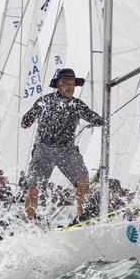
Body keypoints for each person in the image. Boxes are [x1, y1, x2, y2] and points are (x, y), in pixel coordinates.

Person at [20, 68, 104, 222]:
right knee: (33, 188)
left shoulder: (76, 104)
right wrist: (27, 120)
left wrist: (100, 120)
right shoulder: (44, 101)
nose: (70, 87)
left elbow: (91, 116)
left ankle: (82, 216)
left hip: (67, 150)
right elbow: (26, 121)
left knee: (83, 180)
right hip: (43, 150)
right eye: (66, 84)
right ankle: (29, 221)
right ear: (59, 84)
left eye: (73, 84)